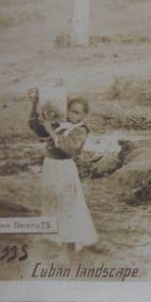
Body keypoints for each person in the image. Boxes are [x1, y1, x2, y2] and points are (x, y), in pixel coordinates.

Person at [28, 89, 98, 256]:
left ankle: (71, 241)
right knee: (51, 200)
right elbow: (36, 128)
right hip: (50, 165)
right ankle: (56, 238)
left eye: (76, 112)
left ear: (84, 115)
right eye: (70, 111)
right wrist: (34, 103)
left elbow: (70, 150)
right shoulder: (61, 124)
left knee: (68, 203)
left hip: (64, 168)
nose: (71, 115)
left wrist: (51, 131)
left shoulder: (81, 130)